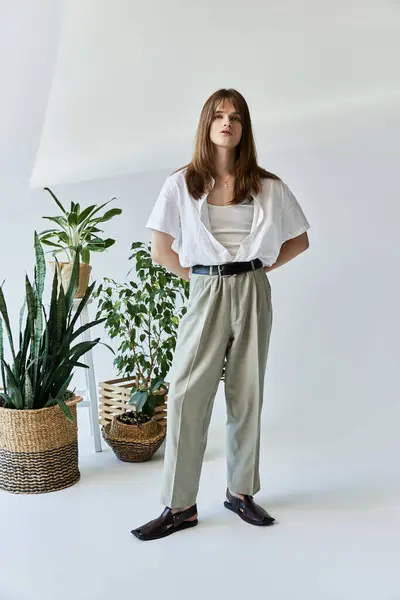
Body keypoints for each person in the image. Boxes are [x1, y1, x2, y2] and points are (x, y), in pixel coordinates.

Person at [131, 88, 310, 541]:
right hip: (207, 288)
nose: (226, 122)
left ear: (245, 128)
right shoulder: (181, 183)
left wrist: (261, 266)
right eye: (218, 116)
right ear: (206, 126)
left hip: (252, 290)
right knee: (186, 394)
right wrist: (200, 276)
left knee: (247, 393)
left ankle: (241, 493)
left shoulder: (268, 186)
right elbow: (160, 250)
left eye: (235, 116)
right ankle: (180, 506)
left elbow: (300, 240)